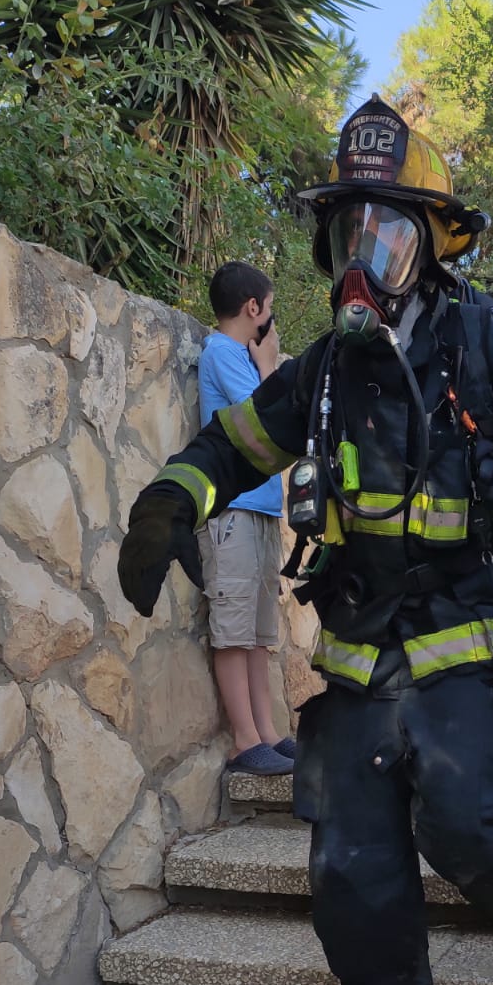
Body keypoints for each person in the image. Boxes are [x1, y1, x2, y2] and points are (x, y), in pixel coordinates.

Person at [117, 95, 493, 985]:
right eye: (351, 228)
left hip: (470, 622)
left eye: (386, 228)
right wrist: (172, 496)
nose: (364, 250)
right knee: (348, 846)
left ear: (429, 245)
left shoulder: (485, 349)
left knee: (474, 825)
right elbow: (237, 443)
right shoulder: (327, 368)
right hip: (359, 636)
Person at [196, 262, 295, 776]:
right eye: (270, 307)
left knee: (258, 632)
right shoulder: (221, 352)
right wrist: (270, 363)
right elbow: (265, 413)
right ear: (253, 307)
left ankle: (269, 733)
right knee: (233, 629)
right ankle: (243, 740)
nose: (271, 320)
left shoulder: (241, 354)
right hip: (231, 510)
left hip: (257, 507)